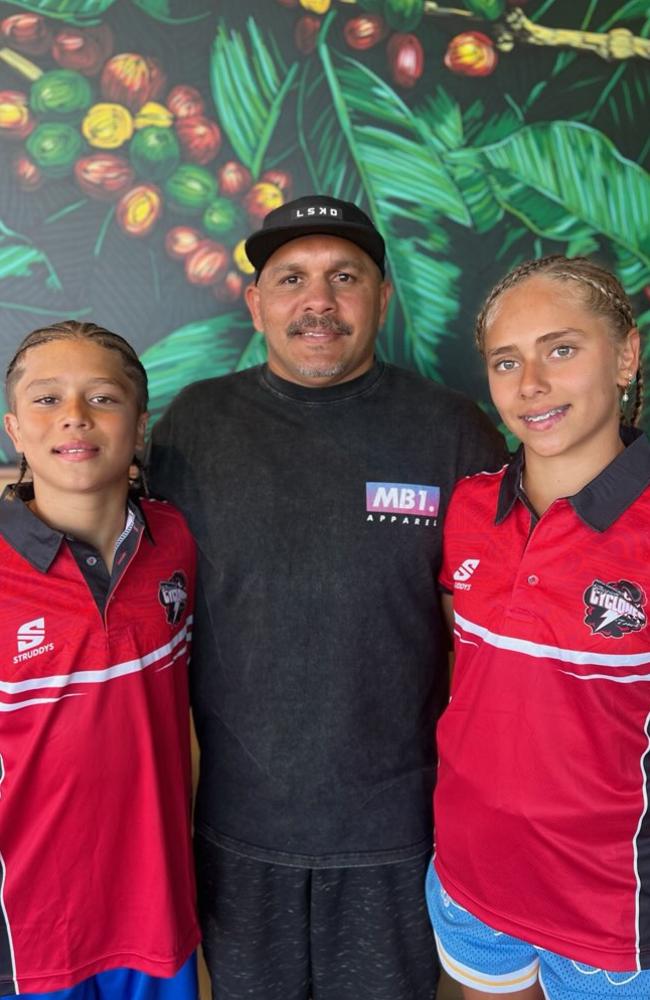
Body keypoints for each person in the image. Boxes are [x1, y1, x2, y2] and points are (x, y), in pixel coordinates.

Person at [148, 194, 506, 1000]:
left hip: (398, 836)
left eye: (345, 277)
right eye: (292, 279)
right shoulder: (194, 426)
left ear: (383, 298)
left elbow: (492, 645)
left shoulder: (453, 430)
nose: (319, 301)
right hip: (239, 834)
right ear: (255, 303)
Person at [426, 255, 650, 1000]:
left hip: (611, 919)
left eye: (561, 349)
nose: (531, 386)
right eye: (506, 361)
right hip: (470, 883)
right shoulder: (466, 508)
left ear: (625, 355)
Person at [0, 321, 199, 999]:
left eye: (103, 398)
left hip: (156, 918)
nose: (75, 417)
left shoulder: (177, 542)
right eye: (46, 399)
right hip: (27, 931)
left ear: (140, 425)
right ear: (15, 429)